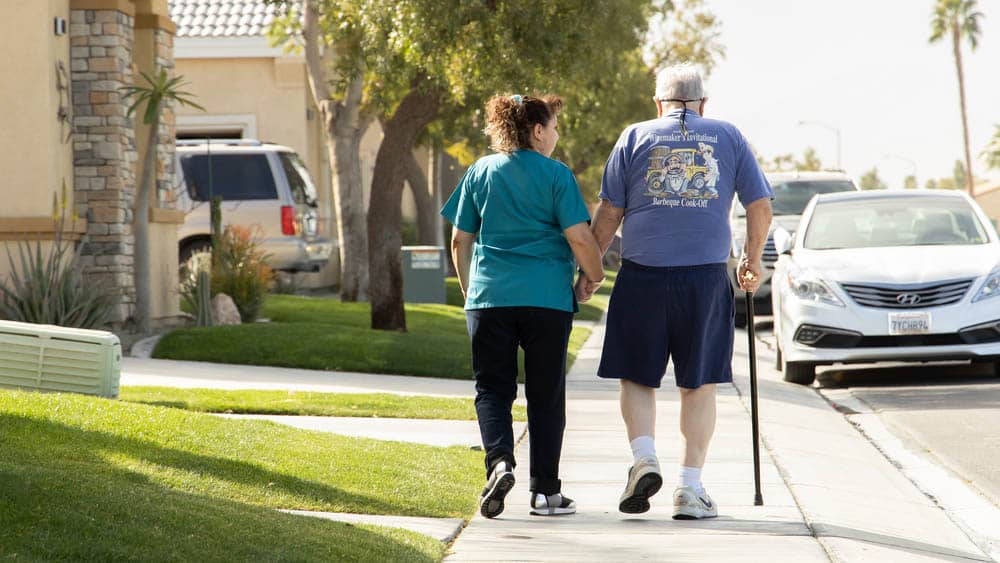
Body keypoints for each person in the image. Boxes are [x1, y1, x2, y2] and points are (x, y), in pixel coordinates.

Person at [577, 63, 773, 519]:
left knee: (638, 376)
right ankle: (690, 488)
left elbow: (609, 212)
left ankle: (644, 457)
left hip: (642, 275)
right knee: (700, 384)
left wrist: (589, 268)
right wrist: (751, 260)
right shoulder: (728, 136)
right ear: (704, 103)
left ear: (658, 103)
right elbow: (759, 206)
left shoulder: (634, 136)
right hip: (704, 279)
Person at [441, 93, 605, 519]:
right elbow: (580, 238)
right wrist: (594, 276)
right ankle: (546, 493)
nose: (555, 135)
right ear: (536, 131)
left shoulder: (480, 171)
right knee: (545, 394)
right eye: (553, 128)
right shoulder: (556, 175)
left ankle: (499, 463)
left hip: (489, 299)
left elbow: (460, 239)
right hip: (546, 301)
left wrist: (469, 289)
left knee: (492, 390)